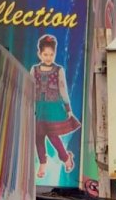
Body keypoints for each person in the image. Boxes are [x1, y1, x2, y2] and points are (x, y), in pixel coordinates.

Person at [30, 34, 81, 180]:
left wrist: (68, 108)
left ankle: (66, 158)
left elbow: (63, 90)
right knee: (38, 137)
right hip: (39, 109)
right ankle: (42, 163)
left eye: (51, 54)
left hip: (53, 110)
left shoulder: (59, 70)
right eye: (45, 54)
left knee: (53, 137)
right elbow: (29, 89)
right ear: (39, 54)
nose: (48, 57)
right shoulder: (34, 69)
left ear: (55, 54)